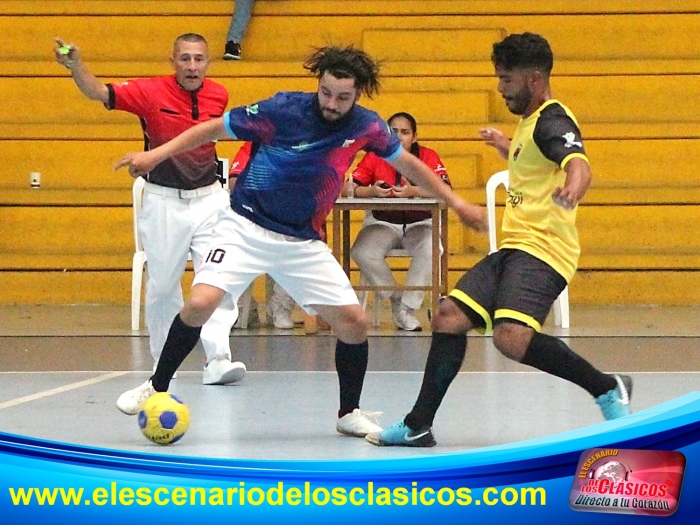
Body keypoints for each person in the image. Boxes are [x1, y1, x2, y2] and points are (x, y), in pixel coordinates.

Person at [113, 45, 486, 438]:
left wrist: (457, 203)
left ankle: (348, 413)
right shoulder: (283, 110)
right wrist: (156, 156)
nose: (332, 102)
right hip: (244, 226)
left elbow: (408, 164)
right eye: (326, 92)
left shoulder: (366, 125)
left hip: (301, 240)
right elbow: (212, 129)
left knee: (354, 322)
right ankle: (155, 386)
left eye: (342, 97)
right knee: (200, 301)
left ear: (357, 94)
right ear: (318, 84)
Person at [366, 32, 633, 448]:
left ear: (534, 78)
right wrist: (507, 146)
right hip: (514, 247)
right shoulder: (530, 125)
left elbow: (576, 161)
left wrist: (576, 184)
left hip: (544, 250)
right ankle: (418, 424)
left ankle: (606, 388)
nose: (500, 87)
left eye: (506, 80)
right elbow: (535, 157)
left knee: (511, 338)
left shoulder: (553, 119)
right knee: (449, 316)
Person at [53, 34, 246, 386]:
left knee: (219, 279)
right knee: (162, 287)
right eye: (184, 58)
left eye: (199, 59)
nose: (192, 66)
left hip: (210, 199)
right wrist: (75, 65)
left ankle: (218, 357)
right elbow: (99, 92)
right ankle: (163, 365)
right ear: (172, 61)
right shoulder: (149, 91)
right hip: (163, 202)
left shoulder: (219, 94)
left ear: (208, 63)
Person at [349, 112, 451, 332]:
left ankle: (408, 308)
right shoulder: (374, 155)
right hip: (382, 224)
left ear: (414, 136)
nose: (399, 136)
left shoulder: (428, 156)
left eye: (405, 132)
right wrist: (371, 191)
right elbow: (349, 187)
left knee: (433, 248)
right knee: (361, 251)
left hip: (420, 224)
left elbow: (445, 191)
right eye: (393, 131)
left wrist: (414, 190)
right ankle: (397, 300)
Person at [229, 141, 297, 329]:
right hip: (251, 218)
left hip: (288, 220)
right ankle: (242, 308)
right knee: (233, 245)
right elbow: (235, 183)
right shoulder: (252, 145)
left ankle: (279, 306)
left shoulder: (303, 148)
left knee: (300, 245)